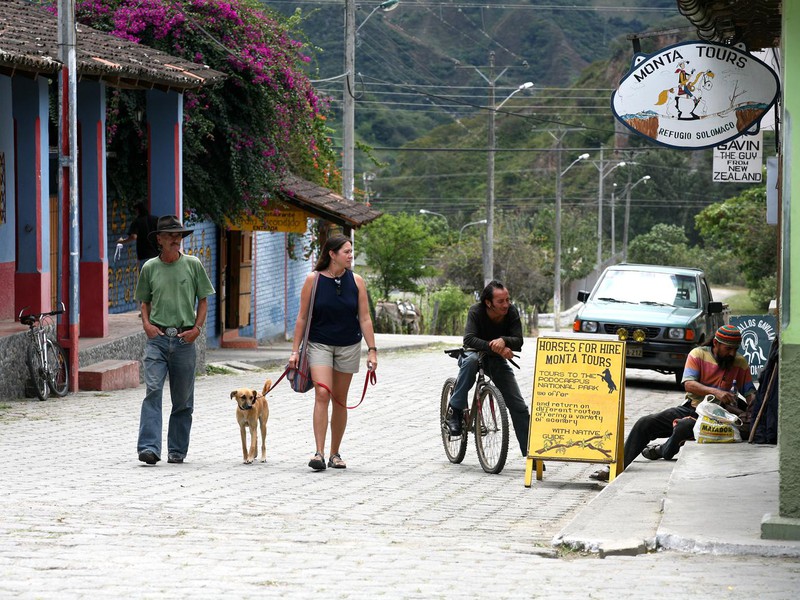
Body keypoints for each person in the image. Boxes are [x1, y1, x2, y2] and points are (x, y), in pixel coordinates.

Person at [590, 324, 756, 482]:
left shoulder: (739, 362)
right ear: (716, 343)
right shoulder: (698, 354)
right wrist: (716, 391)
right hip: (692, 408)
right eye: (728, 349)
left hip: (720, 418)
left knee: (683, 427)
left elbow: (749, 392)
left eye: (735, 349)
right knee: (645, 423)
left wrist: (753, 404)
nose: (732, 353)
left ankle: (662, 450)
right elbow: (689, 384)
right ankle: (615, 468)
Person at [289, 234, 378, 471]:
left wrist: (372, 350)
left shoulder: (357, 281)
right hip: (319, 344)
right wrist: (295, 351)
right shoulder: (313, 280)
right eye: (346, 252)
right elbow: (302, 317)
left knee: (340, 399)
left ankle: (335, 453)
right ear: (332, 254)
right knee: (322, 393)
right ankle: (318, 453)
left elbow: (365, 318)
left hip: (349, 346)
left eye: (351, 252)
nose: (351, 256)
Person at [135, 215, 215, 465]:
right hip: (157, 339)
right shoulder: (149, 267)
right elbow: (144, 301)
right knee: (153, 391)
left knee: (182, 400)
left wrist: (197, 329)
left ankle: (177, 450)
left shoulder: (193, 265)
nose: (175, 240)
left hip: (184, 340)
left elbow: (203, 299)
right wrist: (146, 325)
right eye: (170, 236)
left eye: (179, 235)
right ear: (159, 239)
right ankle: (149, 448)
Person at [446, 280, 531, 458]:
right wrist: (496, 346)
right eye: (501, 301)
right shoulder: (476, 311)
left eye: (507, 300)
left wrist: (504, 340)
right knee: (470, 362)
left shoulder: (512, 312)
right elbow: (469, 339)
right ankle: (455, 409)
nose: (506, 304)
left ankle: (531, 453)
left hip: (496, 359)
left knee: (519, 406)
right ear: (488, 302)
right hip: (473, 353)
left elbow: (519, 340)